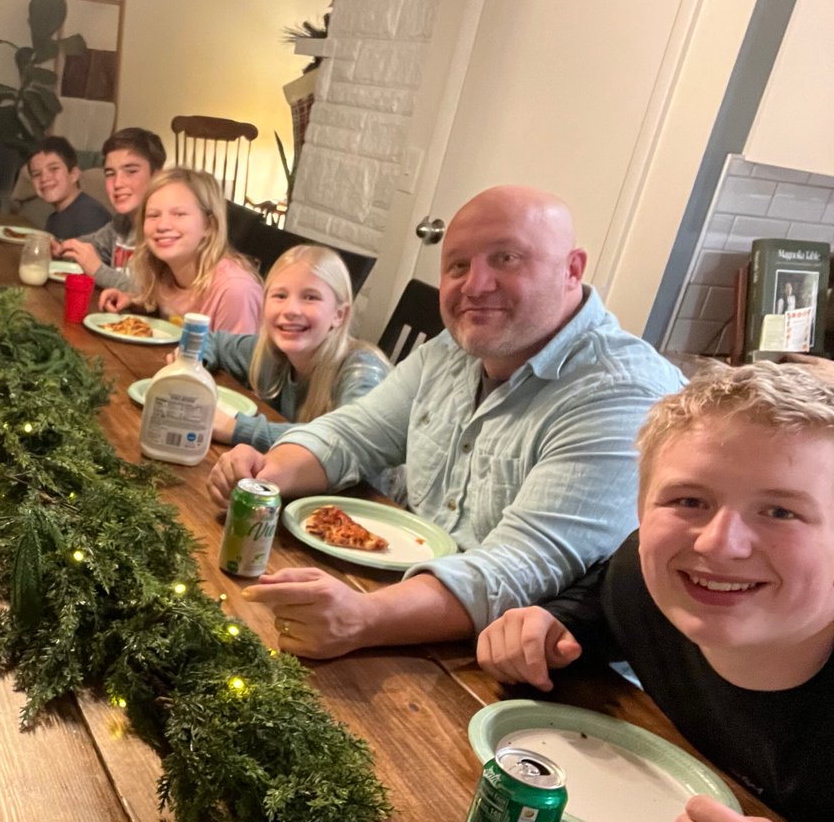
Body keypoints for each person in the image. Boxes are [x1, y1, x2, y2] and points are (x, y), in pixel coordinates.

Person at [214, 185, 686, 658]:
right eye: (458, 265)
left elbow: (520, 566)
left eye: (506, 258)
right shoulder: (453, 349)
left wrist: (362, 617)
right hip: (406, 608)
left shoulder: (621, 393)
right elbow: (353, 433)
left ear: (572, 270)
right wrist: (266, 479)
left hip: (532, 668)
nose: (475, 286)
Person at [477, 364, 834, 822]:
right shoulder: (644, 585)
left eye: (780, 511)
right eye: (689, 501)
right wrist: (551, 625)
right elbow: (599, 604)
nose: (718, 544)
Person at [201, 243, 389, 449]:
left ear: (339, 315)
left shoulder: (361, 369)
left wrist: (236, 428)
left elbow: (348, 440)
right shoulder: (271, 353)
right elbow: (210, 341)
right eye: (280, 296)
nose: (291, 310)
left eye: (310, 297)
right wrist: (191, 367)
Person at [97, 167, 261, 334]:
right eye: (153, 215)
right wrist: (134, 301)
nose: (162, 225)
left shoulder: (235, 290)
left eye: (179, 214)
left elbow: (238, 351)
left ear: (209, 225)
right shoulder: (165, 271)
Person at [53, 126, 165, 293]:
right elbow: (91, 245)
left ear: (157, 176)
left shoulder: (165, 230)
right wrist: (59, 247)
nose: (118, 183)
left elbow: (154, 294)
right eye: (110, 173)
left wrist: (97, 270)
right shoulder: (121, 223)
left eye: (131, 171)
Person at [27, 134, 108, 241]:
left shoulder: (90, 215)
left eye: (54, 169)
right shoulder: (54, 219)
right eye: (37, 174)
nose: (44, 178)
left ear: (74, 175)